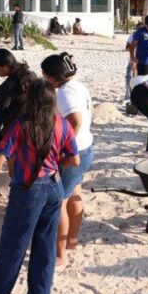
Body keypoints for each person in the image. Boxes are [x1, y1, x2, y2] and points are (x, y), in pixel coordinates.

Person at [0, 80, 80, 294]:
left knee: (13, 245)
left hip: (28, 189)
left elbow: (0, 157)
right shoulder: (62, 124)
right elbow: (75, 159)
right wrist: (54, 162)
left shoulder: (22, 124)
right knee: (46, 243)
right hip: (54, 185)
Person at [41, 53, 94, 266]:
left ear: (52, 76)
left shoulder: (64, 93)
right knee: (75, 193)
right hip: (86, 147)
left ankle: (60, 254)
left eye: (44, 74)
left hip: (74, 152)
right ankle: (72, 240)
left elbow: (75, 121)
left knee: (58, 202)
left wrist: (62, 149)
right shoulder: (77, 86)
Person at [0, 49, 36, 161]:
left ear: (4, 66)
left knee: (12, 161)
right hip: (35, 123)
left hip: (16, 128)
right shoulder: (32, 75)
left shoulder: (7, 87)